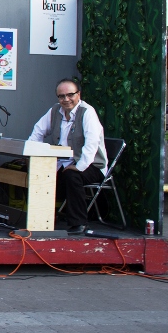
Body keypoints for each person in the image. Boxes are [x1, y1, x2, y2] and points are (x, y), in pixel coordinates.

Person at [28, 78, 107, 234]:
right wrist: (32, 154)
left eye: (70, 95)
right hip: (62, 163)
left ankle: (79, 223)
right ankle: (39, 219)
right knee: (38, 173)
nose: (66, 99)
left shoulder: (87, 113)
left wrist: (79, 167)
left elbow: (91, 145)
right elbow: (38, 132)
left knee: (72, 176)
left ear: (79, 94)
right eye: (61, 96)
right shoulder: (55, 110)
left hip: (91, 165)